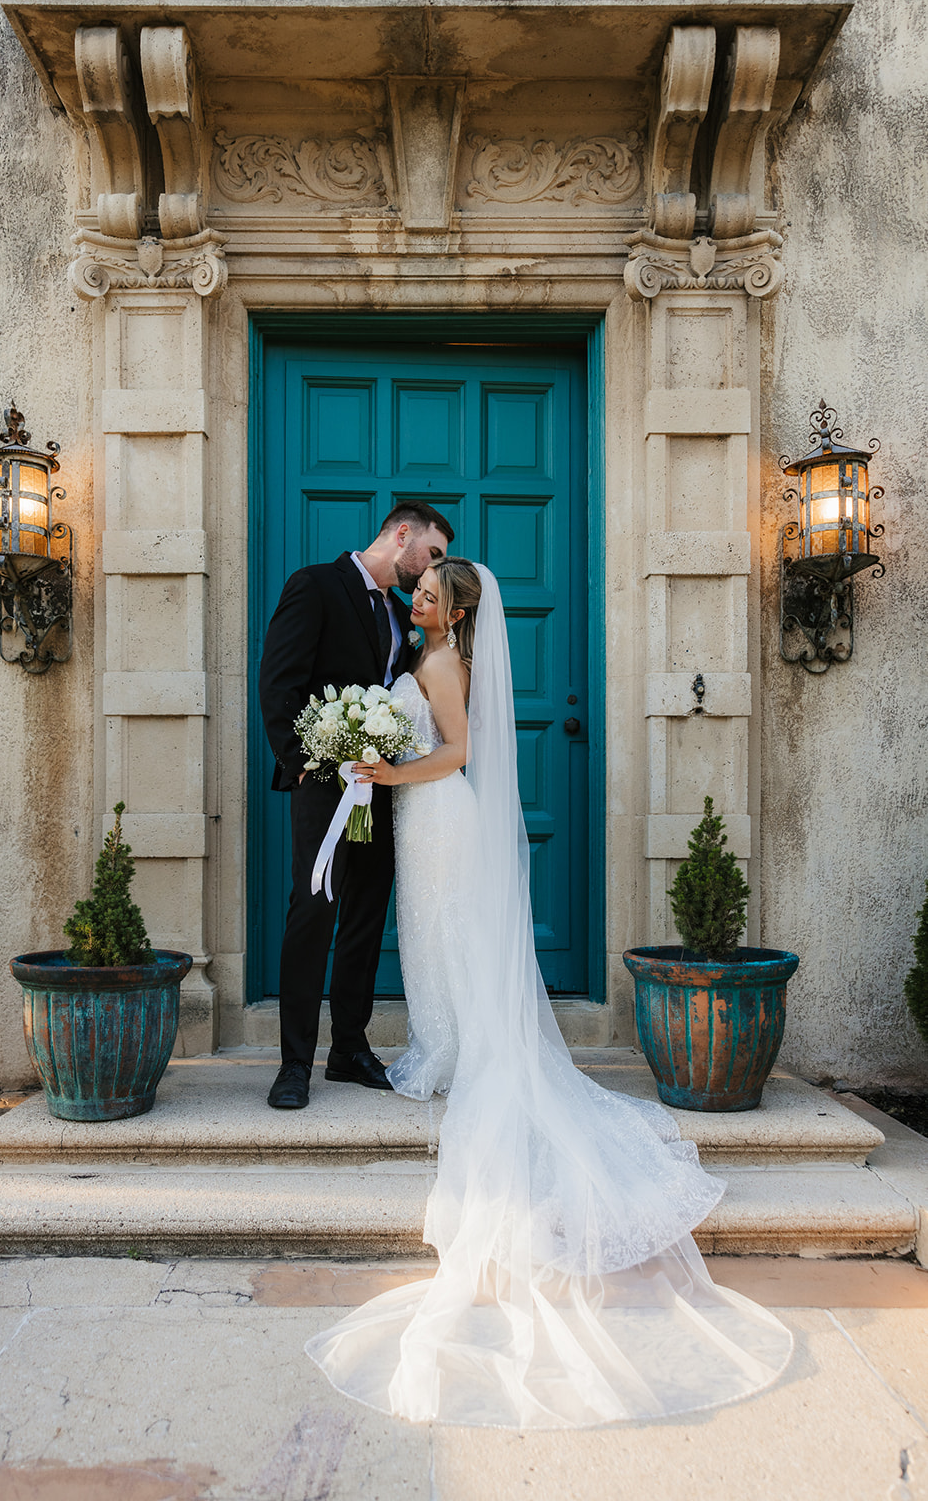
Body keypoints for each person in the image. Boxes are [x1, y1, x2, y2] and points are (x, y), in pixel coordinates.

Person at [305, 559, 793, 1428]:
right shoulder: (426, 654)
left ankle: (460, 1046)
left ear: (453, 617)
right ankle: (444, 1041)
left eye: (425, 596)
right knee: (429, 941)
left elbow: (452, 752)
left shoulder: (443, 666)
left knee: (447, 937)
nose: (412, 598)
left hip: (438, 813)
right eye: (414, 592)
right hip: (423, 822)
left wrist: (387, 774)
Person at [258, 501, 454, 1111]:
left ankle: (349, 1047)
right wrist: (309, 760)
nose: (434, 571)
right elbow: (279, 681)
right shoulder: (315, 585)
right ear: (403, 534)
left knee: (367, 916)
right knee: (312, 911)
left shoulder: (401, 614)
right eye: (434, 554)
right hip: (324, 786)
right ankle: (295, 1063)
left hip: (382, 789)